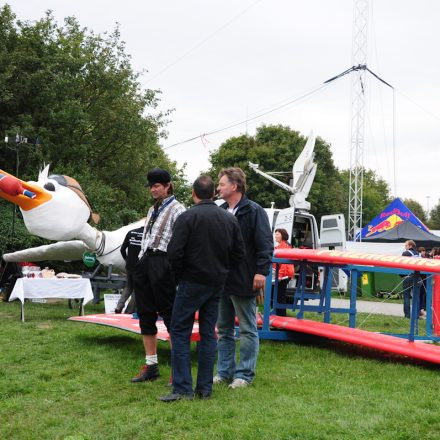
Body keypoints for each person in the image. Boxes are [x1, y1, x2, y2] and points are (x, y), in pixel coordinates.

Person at [158, 176, 245, 402]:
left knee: (179, 331)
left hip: (191, 281)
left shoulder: (187, 217)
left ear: (194, 194)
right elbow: (239, 254)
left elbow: (174, 252)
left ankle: (182, 388)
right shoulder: (229, 219)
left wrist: (179, 276)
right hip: (216, 283)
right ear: (213, 194)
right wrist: (223, 272)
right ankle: (204, 389)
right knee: (208, 334)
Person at [214, 167, 273, 389]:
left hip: (245, 278)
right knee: (224, 329)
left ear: (234, 186)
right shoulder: (220, 210)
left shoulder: (254, 211)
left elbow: (265, 243)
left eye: (221, 184)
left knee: (248, 328)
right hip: (222, 279)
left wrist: (261, 272)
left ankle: (244, 375)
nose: (218, 188)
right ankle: (224, 372)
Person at [131, 168, 185, 383]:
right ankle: (151, 364)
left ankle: (177, 369)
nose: (153, 190)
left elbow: (179, 242)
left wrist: (171, 267)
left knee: (171, 315)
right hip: (146, 260)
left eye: (157, 186)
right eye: (151, 186)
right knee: (145, 313)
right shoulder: (153, 209)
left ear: (167, 185)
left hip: (163, 262)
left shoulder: (178, 210)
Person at [115, 226, 143, 314]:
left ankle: (119, 306)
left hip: (129, 265)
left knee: (128, 287)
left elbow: (122, 249)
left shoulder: (131, 232)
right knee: (137, 289)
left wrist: (127, 259)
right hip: (139, 266)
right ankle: (129, 311)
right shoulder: (147, 234)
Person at [273, 228, 294, 316]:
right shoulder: (279, 246)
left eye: (277, 234)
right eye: (275, 234)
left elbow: (285, 262)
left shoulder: (285, 246)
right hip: (280, 274)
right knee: (277, 295)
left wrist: (280, 276)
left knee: (280, 296)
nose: (275, 236)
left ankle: (281, 316)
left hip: (284, 275)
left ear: (282, 235)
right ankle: (278, 315)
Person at [401, 240, 420, 319]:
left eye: (406, 245)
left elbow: (401, 264)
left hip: (408, 276)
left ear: (410, 246)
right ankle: (416, 315)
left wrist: (402, 275)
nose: (405, 247)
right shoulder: (418, 254)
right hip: (417, 277)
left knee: (406, 296)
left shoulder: (406, 253)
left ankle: (407, 315)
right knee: (416, 296)